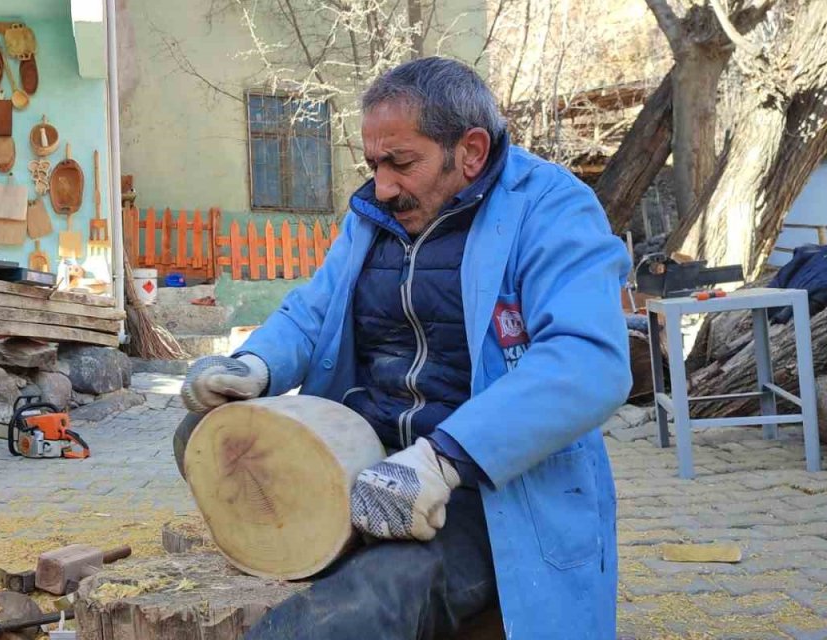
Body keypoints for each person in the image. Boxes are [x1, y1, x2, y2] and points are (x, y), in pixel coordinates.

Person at [177, 56, 631, 639]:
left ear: (470, 151)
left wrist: (442, 461)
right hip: (371, 460)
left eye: (401, 162)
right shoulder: (374, 216)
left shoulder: (550, 208)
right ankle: (328, 546)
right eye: (373, 163)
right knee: (203, 433)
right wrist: (253, 366)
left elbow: (588, 360)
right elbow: (314, 310)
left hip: (482, 485)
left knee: (353, 613)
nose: (383, 185)